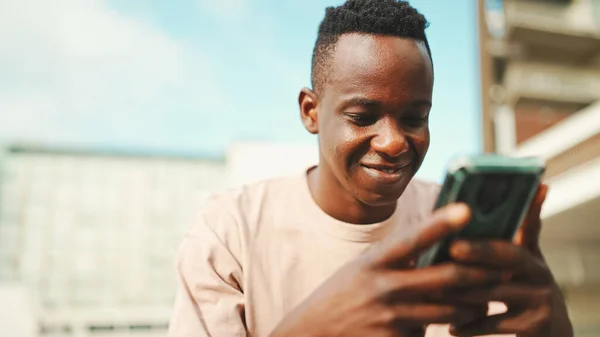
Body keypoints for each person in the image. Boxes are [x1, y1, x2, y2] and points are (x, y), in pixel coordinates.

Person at [167, 1, 574, 336]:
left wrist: (557, 329)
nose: (394, 142)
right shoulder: (229, 234)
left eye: (415, 118)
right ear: (311, 111)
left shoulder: (454, 222)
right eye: (363, 116)